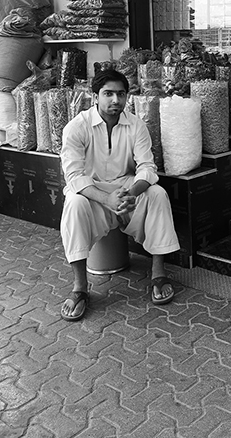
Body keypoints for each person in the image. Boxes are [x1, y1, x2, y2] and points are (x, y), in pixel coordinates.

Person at [59, 69, 180, 321]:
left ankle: (158, 273)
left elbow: (147, 166)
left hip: (126, 189)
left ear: (127, 97)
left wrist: (134, 192)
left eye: (121, 94)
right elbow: (73, 176)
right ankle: (80, 288)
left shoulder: (136, 125)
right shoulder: (77, 127)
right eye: (108, 94)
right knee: (74, 202)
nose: (115, 100)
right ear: (95, 97)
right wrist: (106, 198)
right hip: (93, 192)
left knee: (156, 193)